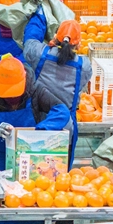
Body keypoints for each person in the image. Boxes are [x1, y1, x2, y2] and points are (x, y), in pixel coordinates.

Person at [0, 55, 72, 224]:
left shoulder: (37, 91)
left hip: (34, 170)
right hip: (4, 169)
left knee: (39, 217)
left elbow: (61, 110)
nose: (12, 97)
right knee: (8, 222)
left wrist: (40, 130)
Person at [24, 18, 92, 168]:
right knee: (58, 173)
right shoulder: (84, 65)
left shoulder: (39, 53)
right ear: (78, 44)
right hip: (64, 127)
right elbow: (80, 85)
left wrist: (39, 17)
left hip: (37, 121)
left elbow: (29, 41)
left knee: (33, 169)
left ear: (56, 37)